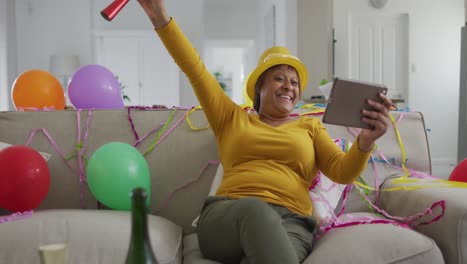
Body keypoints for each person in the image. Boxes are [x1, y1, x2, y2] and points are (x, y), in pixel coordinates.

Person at [137, 1, 393, 263]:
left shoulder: (310, 127)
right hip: (229, 217)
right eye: (279, 78)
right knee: (255, 211)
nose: (289, 87)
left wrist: (365, 142)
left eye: (294, 82)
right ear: (259, 88)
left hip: (292, 223)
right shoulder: (231, 117)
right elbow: (195, 69)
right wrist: (160, 17)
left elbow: (342, 172)